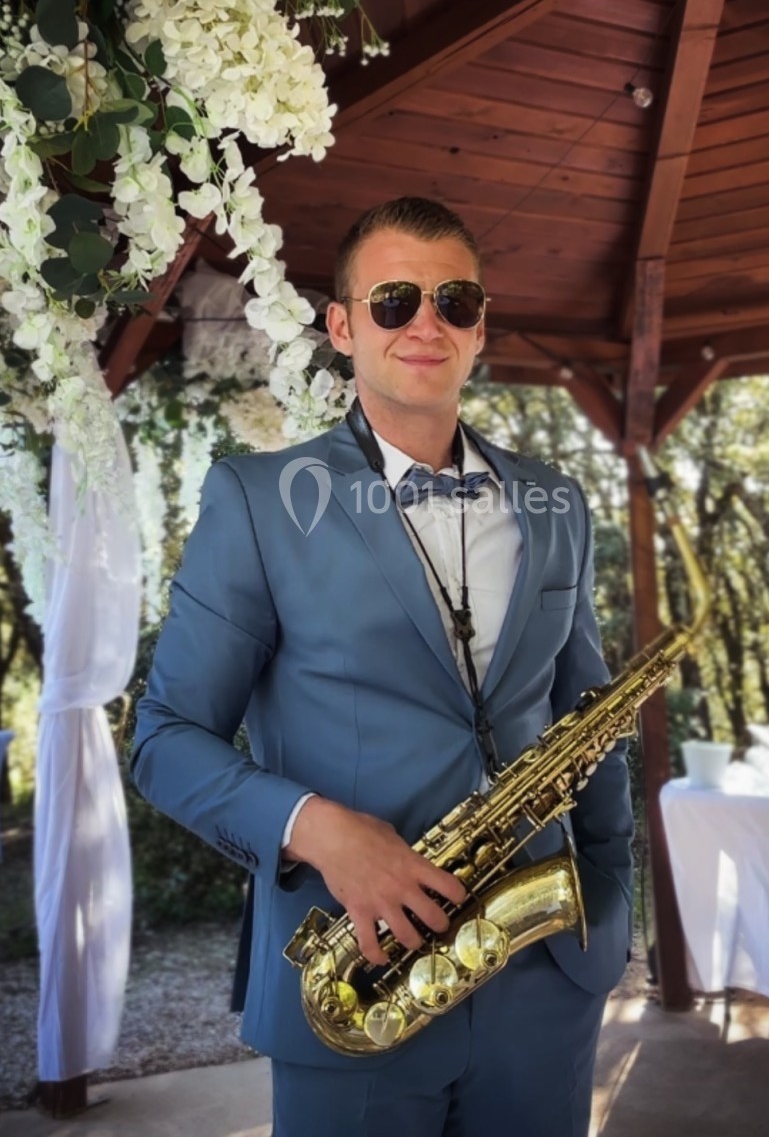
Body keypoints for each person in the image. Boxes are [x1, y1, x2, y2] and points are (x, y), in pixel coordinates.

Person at [131, 196, 633, 1137]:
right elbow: (165, 740)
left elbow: (587, 716)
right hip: (356, 985)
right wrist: (318, 830)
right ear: (343, 325)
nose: (426, 322)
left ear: (481, 326)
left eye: (455, 300)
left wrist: (605, 907)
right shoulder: (258, 500)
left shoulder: (556, 502)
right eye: (395, 299)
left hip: (546, 983)